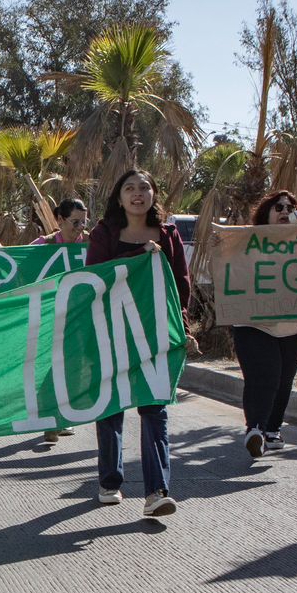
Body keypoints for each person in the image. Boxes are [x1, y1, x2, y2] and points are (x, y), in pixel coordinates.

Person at [85, 168, 190, 518]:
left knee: (154, 410)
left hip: (156, 335)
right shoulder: (104, 234)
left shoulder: (168, 235)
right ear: (119, 197)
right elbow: (94, 281)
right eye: (129, 187)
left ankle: (156, 491)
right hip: (112, 333)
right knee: (112, 408)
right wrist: (137, 260)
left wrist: (183, 326)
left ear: (154, 194)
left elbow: (180, 287)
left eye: (145, 187)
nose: (138, 193)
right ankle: (110, 481)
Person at [231, 190, 297, 458]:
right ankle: (256, 430)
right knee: (265, 376)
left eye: (291, 207)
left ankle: (272, 429)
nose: (285, 211)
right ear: (266, 213)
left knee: (284, 380)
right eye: (278, 207)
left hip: (292, 325)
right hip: (253, 324)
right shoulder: (245, 241)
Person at [30, 199, 89, 445]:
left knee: (74, 368)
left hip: (81, 319)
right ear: (60, 220)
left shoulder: (90, 244)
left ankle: (61, 416)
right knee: (50, 368)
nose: (81, 228)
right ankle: (51, 419)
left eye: (84, 222)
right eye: (75, 222)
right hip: (50, 318)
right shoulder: (42, 246)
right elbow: (22, 271)